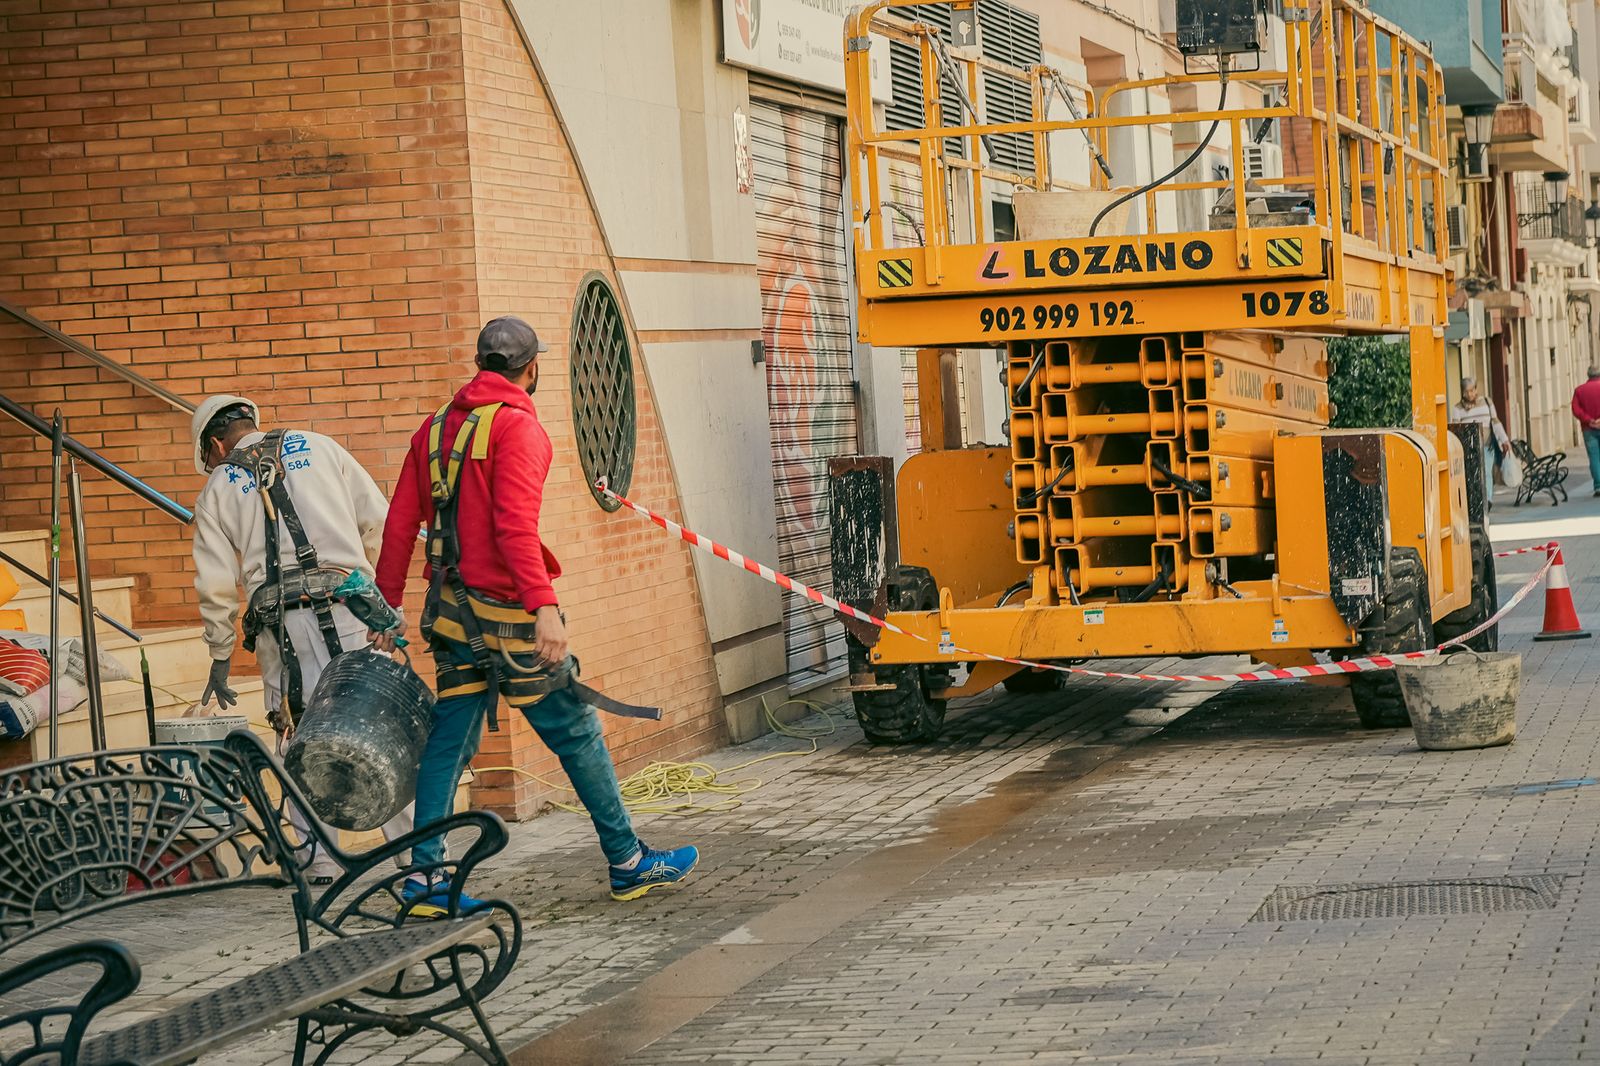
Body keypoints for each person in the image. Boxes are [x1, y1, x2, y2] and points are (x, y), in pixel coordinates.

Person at [376, 317, 698, 906]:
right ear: (532, 369)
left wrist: (387, 609)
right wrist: (543, 606)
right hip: (507, 618)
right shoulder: (519, 430)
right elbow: (514, 529)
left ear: (481, 363)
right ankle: (627, 861)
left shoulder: (435, 429)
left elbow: (400, 524)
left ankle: (425, 877)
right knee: (576, 730)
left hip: (449, 614)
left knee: (449, 741)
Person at [190, 395, 418, 883]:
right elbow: (380, 520)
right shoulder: (318, 446)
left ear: (214, 442)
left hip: (281, 630)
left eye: (209, 457)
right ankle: (416, 856)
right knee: (379, 726)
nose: (212, 464)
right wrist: (383, 600)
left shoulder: (216, 488)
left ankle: (319, 862)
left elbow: (213, 585)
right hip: (354, 611)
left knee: (295, 733)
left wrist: (220, 653)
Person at [1451, 377, 1509, 508]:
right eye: (1467, 391)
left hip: (1487, 445)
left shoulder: (1487, 402)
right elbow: (1456, 429)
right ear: (1462, 392)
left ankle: (1487, 500)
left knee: (1487, 472)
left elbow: (1495, 421)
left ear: (1476, 389)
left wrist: (1504, 440)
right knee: (1472, 475)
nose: (1470, 394)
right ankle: (1476, 500)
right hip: (1469, 448)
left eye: (1472, 390)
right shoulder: (1457, 409)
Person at [1572, 366, 1600, 496]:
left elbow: (1576, 409)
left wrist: (1589, 420)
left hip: (1588, 428)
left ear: (1588, 375)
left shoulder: (1579, 390)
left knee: (1594, 457)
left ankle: (1598, 486)